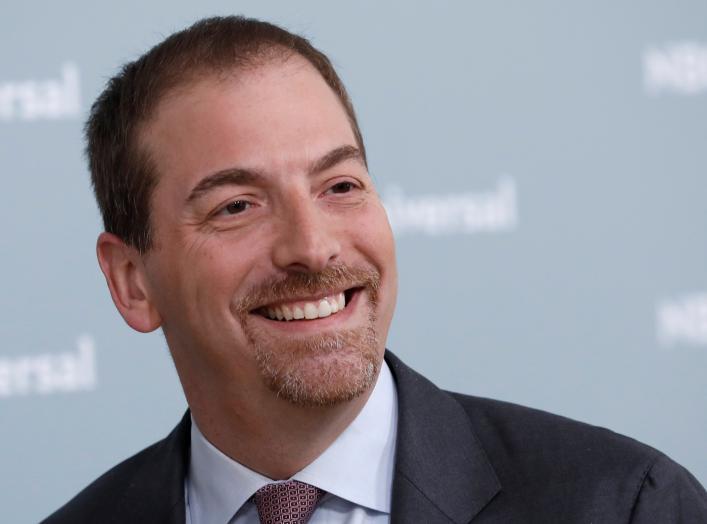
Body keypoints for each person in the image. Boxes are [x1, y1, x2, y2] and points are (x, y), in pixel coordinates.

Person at [43, 16, 706, 524]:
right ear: (132, 281)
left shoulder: (625, 506)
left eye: (339, 186)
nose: (312, 246)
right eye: (237, 205)